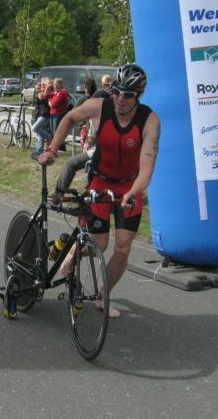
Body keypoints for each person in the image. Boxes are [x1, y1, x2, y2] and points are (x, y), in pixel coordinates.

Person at [38, 64, 160, 319]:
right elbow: (70, 118)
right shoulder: (99, 107)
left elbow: (147, 166)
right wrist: (52, 149)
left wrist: (134, 192)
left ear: (139, 94)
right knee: (99, 244)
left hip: (130, 186)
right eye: (116, 92)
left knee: (123, 249)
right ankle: (70, 249)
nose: (120, 99)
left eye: (128, 95)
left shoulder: (149, 121)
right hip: (101, 182)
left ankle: (104, 296)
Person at [30, 78, 53, 158]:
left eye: (38, 88)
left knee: (34, 128)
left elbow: (42, 98)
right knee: (40, 134)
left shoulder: (47, 92)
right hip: (40, 114)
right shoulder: (40, 93)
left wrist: (46, 86)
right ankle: (39, 151)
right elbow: (39, 99)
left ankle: (49, 137)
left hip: (45, 114)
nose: (37, 89)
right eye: (36, 88)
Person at [47, 77, 70, 148]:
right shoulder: (56, 92)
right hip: (53, 114)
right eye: (54, 84)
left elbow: (53, 104)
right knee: (53, 132)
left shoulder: (62, 92)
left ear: (61, 84)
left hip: (58, 114)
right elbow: (46, 96)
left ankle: (59, 147)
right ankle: (57, 147)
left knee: (56, 132)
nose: (54, 86)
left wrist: (49, 101)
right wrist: (48, 86)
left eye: (56, 84)